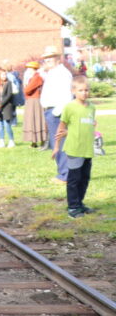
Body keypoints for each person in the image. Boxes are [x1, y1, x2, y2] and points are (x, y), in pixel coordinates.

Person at [54, 76, 97, 218]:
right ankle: (73, 207)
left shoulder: (92, 107)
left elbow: (87, 125)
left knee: (84, 178)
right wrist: (56, 147)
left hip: (87, 149)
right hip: (74, 149)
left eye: (86, 90)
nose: (84, 93)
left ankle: (79, 203)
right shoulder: (69, 107)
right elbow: (61, 128)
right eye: (80, 90)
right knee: (74, 179)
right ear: (73, 91)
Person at [40, 46, 73, 182]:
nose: (47, 60)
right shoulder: (53, 72)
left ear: (58, 58)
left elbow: (67, 95)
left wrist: (56, 112)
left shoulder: (62, 73)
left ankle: (65, 175)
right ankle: (63, 173)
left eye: (50, 57)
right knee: (56, 143)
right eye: (46, 58)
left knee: (60, 143)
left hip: (57, 112)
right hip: (51, 111)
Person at [22, 61, 47, 148]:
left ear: (34, 69)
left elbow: (27, 90)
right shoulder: (33, 77)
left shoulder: (37, 78)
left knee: (37, 120)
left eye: (29, 68)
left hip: (35, 101)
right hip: (32, 100)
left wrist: (25, 88)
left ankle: (42, 141)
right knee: (32, 121)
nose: (28, 70)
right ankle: (34, 142)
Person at [0, 69, 16, 148]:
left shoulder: (8, 83)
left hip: (7, 107)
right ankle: (1, 141)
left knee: (7, 125)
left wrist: (1, 104)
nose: (4, 76)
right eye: (2, 74)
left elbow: (9, 95)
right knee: (0, 125)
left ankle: (11, 141)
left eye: (5, 74)